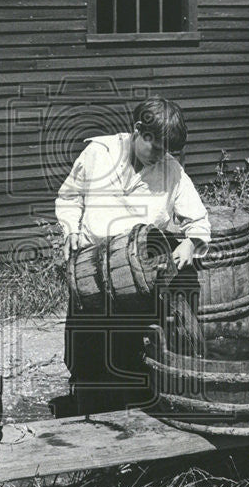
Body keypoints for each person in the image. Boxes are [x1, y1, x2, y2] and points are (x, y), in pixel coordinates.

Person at [54, 97, 211, 416]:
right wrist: (70, 231)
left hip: (136, 281)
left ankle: (131, 428)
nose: (160, 157)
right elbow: (70, 198)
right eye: (155, 148)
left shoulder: (172, 171)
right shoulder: (99, 154)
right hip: (91, 271)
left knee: (129, 357)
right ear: (138, 130)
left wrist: (190, 243)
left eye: (167, 152)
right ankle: (87, 419)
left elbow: (199, 220)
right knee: (87, 354)